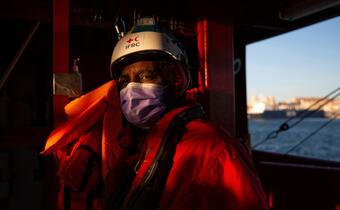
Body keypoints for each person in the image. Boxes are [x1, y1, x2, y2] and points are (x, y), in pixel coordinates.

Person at [41, 17, 268, 210]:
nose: (131, 89)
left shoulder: (215, 150)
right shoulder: (129, 145)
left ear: (176, 81)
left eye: (146, 77)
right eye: (124, 81)